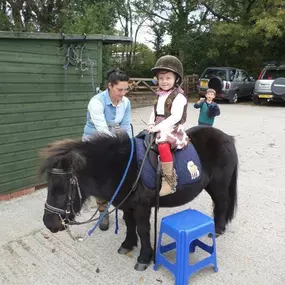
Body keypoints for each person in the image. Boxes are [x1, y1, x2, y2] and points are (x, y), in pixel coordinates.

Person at [82, 68, 132, 230]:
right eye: (119, 89)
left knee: (123, 173)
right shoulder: (96, 102)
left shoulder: (125, 102)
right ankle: (102, 211)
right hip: (95, 141)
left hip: (113, 140)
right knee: (101, 178)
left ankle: (124, 205)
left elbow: (125, 126)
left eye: (126, 89)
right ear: (110, 86)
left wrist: (129, 145)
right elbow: (102, 131)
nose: (123, 93)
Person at [147, 55, 189, 197]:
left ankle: (169, 180)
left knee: (163, 144)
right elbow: (155, 112)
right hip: (159, 124)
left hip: (172, 126)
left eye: (168, 78)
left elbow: (175, 117)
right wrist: (151, 122)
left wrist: (158, 127)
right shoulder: (159, 94)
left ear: (176, 79)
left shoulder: (179, 97)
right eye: (161, 78)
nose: (164, 82)